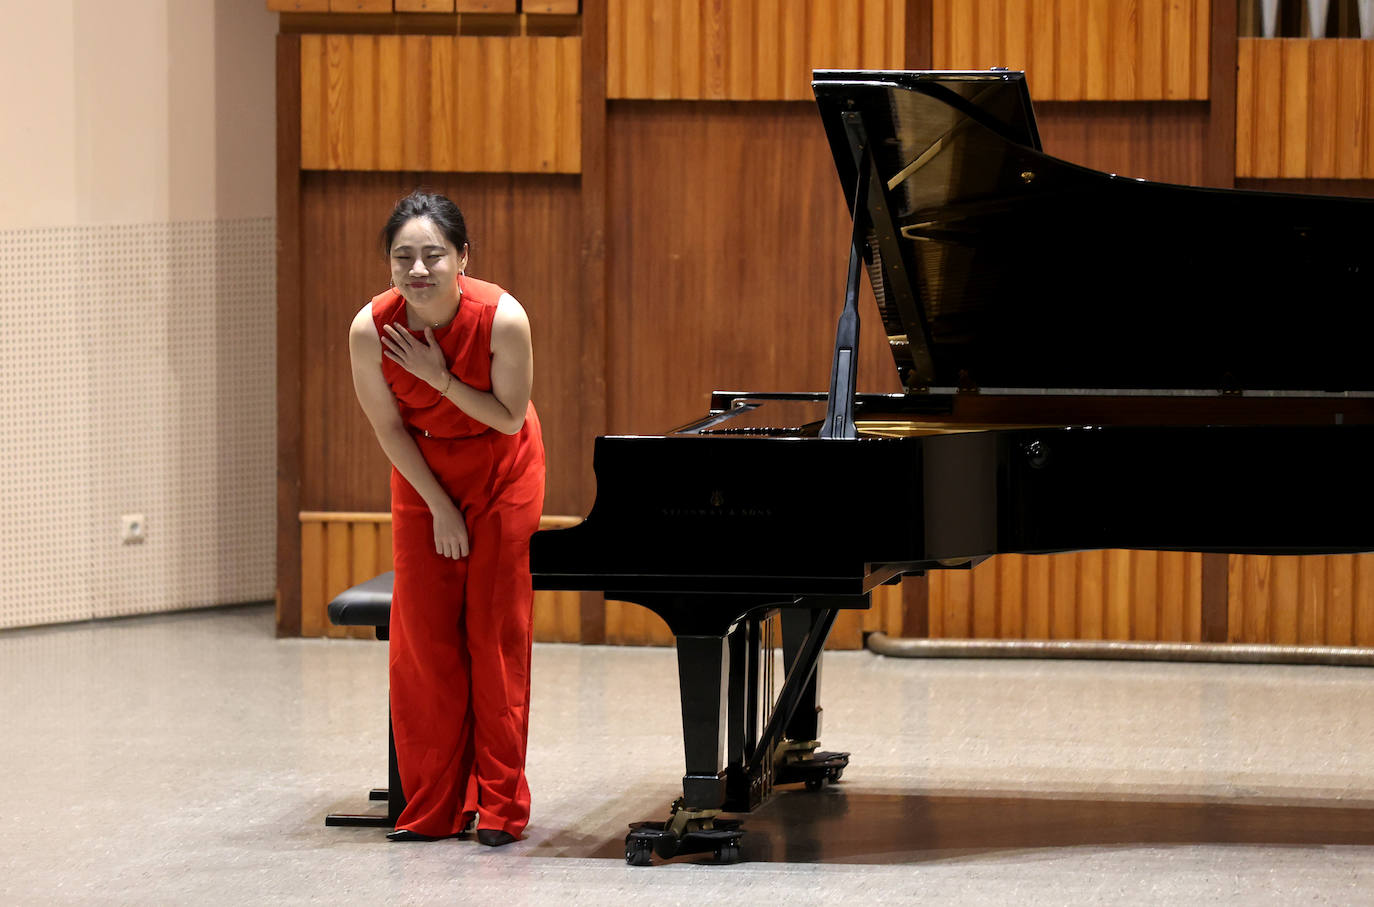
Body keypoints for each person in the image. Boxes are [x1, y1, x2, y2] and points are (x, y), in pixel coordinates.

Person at [348, 190, 546, 846]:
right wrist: (438, 507)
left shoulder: (503, 319)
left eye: (433, 254)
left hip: (502, 468)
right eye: (402, 256)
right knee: (424, 641)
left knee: (493, 633)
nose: (417, 269)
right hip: (422, 472)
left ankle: (500, 806)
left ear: (463, 256)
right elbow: (388, 429)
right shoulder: (370, 329)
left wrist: (438, 379)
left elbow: (509, 419)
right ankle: (432, 806)